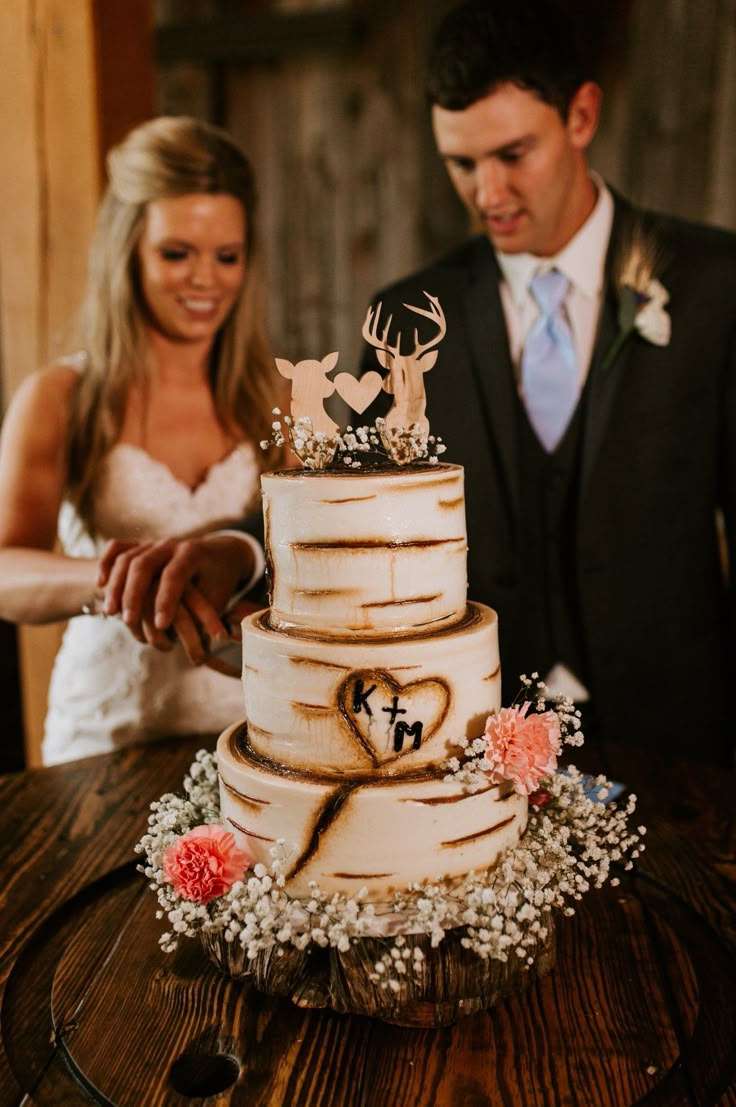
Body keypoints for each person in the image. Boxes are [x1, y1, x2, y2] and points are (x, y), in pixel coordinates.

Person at [359, 0, 736, 765]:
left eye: (512, 154)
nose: (487, 193)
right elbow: (362, 522)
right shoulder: (403, 318)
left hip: (685, 743)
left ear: (583, 115)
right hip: (474, 747)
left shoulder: (717, 285)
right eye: (461, 163)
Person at [0, 116, 283, 765]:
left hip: (251, 736)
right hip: (106, 735)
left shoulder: (278, 398)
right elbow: (6, 566)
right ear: (127, 248)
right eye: (176, 252)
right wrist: (119, 582)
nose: (205, 280)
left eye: (227, 256)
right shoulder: (60, 396)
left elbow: (305, 557)